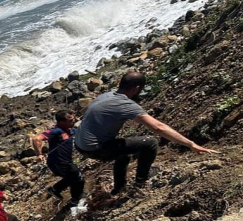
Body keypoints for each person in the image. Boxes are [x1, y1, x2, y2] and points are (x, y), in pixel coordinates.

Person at [75, 70, 219, 195]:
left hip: (80, 144)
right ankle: (140, 181)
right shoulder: (124, 104)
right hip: (95, 148)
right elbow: (158, 127)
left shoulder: (106, 96)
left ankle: (119, 188)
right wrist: (190, 144)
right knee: (150, 142)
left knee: (122, 155)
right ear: (136, 88)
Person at [32, 109, 84, 205]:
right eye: (70, 120)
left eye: (74, 119)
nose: (74, 121)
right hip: (58, 162)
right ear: (61, 122)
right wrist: (39, 154)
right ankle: (75, 200)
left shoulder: (70, 130)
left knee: (72, 178)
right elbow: (36, 139)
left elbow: (81, 130)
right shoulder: (55, 131)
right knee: (78, 178)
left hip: (66, 161)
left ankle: (55, 189)